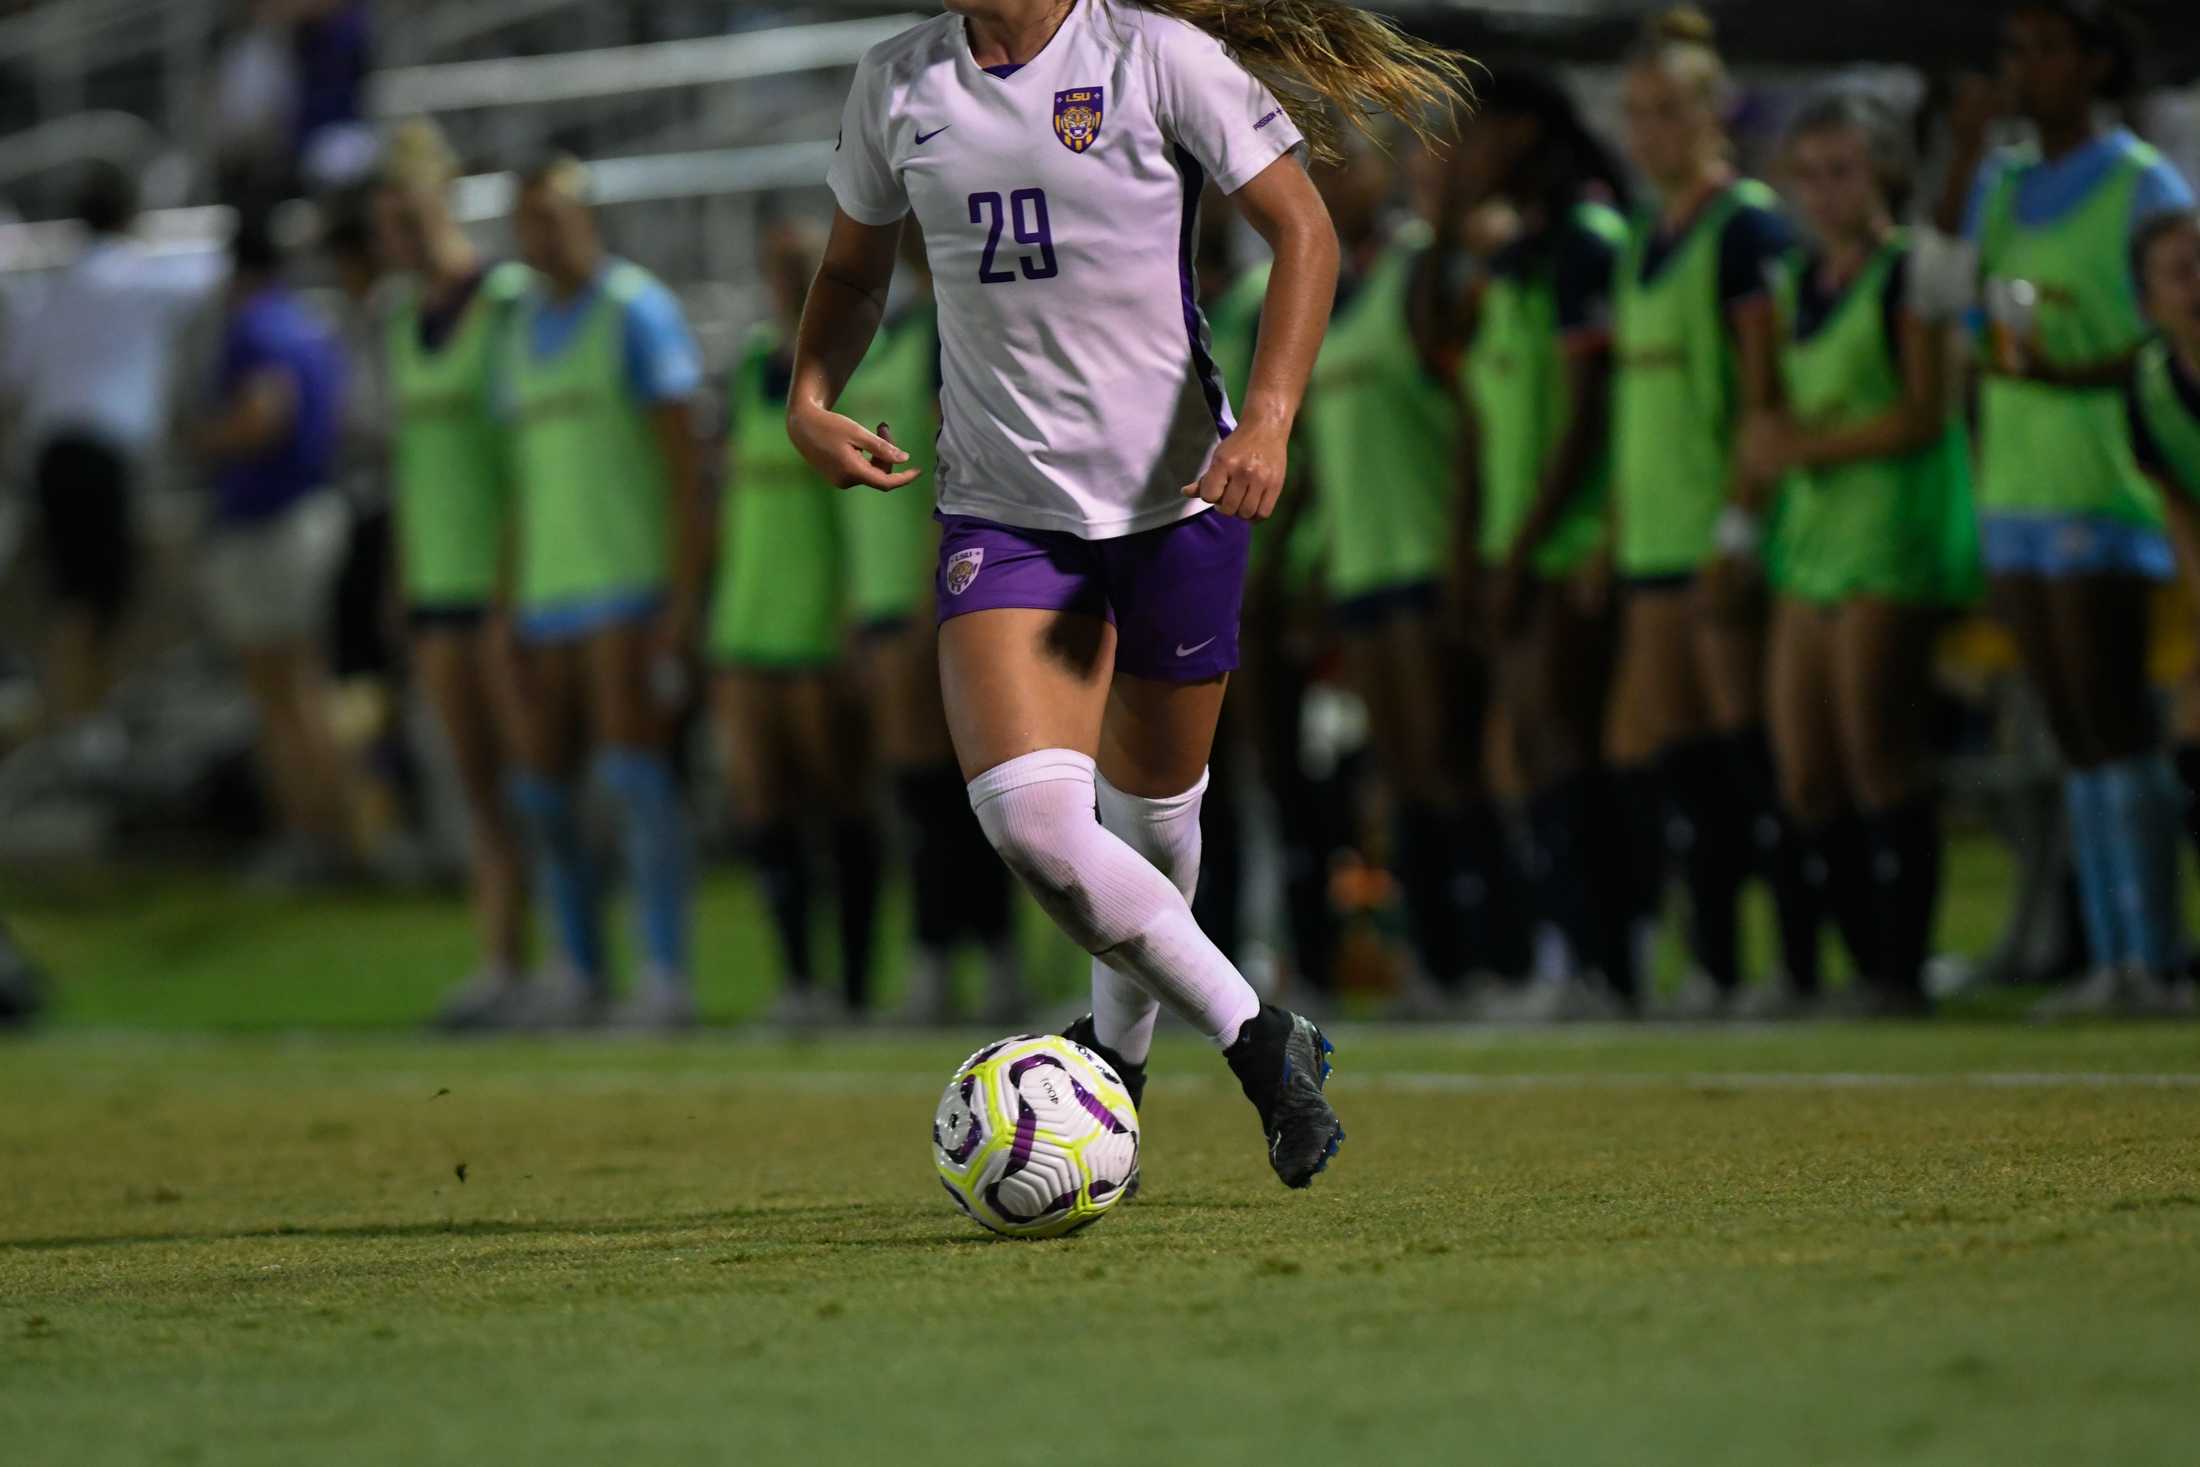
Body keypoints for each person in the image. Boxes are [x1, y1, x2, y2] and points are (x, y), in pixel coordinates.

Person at [795, 0, 1467, 1186]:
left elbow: (1302, 230)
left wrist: (1268, 419)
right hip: (1004, 516)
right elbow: (853, 273)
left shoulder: (1153, 57)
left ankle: (1117, 1061)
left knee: (1153, 825)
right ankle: (1264, 1042)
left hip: (1178, 503)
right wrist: (808, 392)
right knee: (1038, 830)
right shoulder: (895, 83)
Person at [1939, 1, 2196, 1015]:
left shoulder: (2143, 183)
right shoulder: (1998, 184)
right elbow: (1962, 307)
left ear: (2091, 64)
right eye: (2011, 50)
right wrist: (1959, 158)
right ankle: (2111, 959)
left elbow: (2167, 344)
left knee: (2116, 723)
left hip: (2107, 484)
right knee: (2070, 736)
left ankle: (2154, 956)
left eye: (2042, 50)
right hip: (2014, 490)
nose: (2021, 69)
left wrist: (2062, 370)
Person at [1743, 92, 1980, 1016]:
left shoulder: (1908, 271)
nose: (1824, 191)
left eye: (1843, 170)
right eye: (1808, 173)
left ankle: (1899, 968)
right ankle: (1833, 964)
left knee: (1879, 748)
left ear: (1881, 171)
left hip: (1891, 535)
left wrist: (1803, 447)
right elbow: (1767, 412)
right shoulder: (1799, 281)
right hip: (1811, 542)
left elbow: (1925, 411)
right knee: (1804, 766)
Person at [1294, 130, 1529, 1009]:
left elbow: (1471, 414)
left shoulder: (1423, 271)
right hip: (1359, 567)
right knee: (1399, 776)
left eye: (1334, 162)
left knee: (1452, 765)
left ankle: (1503, 959)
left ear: (1383, 170)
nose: (1319, 178)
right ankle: (1436, 964)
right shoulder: (1326, 287)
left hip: (1430, 556)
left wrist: (1470, 545)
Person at [1606, 8, 1799, 1015]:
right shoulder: (1643, 236)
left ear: (1712, 111)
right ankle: (1716, 965)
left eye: (1669, 111)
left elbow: (1764, 396)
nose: (1651, 133)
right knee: (1669, 760)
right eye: (1636, 115)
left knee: (1743, 758)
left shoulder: (1745, 228)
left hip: (1713, 538)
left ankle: (1787, 964)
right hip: (1649, 540)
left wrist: (1738, 524)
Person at [500, 157, 710, 1029]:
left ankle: (664, 975)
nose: (541, 235)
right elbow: (519, 477)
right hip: (549, 590)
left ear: (584, 218)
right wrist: (509, 594)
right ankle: (578, 969)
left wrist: (681, 597)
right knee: (543, 790)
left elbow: (685, 467)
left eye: (555, 217)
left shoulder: (635, 312)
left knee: (634, 782)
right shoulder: (516, 329)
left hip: (626, 584)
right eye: (528, 219)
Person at [1447, 69, 1634, 1019]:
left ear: (1521, 135)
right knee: (1521, 750)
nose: (1460, 155)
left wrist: (1521, 549)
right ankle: (1576, 957)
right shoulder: (1511, 260)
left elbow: (1588, 414)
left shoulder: (1586, 245)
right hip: (1514, 542)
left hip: (1565, 543)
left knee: (1560, 744)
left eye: (1473, 134)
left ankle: (1597, 962)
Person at [829, 224, 1026, 1026]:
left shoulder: (955, 326)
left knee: (962, 781)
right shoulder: (890, 330)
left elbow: (962, 461)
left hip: (937, 585)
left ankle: (977, 958)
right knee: (921, 787)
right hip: (880, 594)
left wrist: (928, 584)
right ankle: (951, 955)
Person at [369, 120, 539, 1028]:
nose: (393, 232)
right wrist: (401, 573)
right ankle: (500, 960)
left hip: (499, 581)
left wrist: (514, 578)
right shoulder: (399, 322)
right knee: (476, 780)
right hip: (437, 580)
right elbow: (406, 458)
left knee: (533, 777)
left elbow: (522, 456)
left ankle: (567, 961)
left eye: (406, 210)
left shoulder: (502, 302)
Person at [708, 221, 884, 1026]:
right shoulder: (753, 366)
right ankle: (796, 981)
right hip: (748, 614)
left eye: (798, 266)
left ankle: (852, 986)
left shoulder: (858, 369)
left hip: (819, 612)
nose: (784, 280)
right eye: (775, 267)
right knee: (763, 804)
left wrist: (856, 606)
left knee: (838, 800)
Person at [0, 162, 223, 728]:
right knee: (91, 602)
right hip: (99, 460)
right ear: (130, 217)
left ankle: (83, 721)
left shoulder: (53, 293)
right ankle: (83, 728)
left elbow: (14, 379)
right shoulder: (146, 281)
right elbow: (220, 270)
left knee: (82, 599)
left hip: (51, 458)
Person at [196, 210, 358, 884]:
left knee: (281, 691)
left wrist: (200, 440)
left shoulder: (255, 327)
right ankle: (340, 834)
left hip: (268, 521)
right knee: (306, 685)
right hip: (314, 509)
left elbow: (266, 413)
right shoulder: (308, 325)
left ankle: (313, 837)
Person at [2128, 207, 2200, 1005]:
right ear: (2147, 300)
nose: (2197, 284)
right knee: (2191, 721)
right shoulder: (2150, 386)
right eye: (2179, 271)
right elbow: (2181, 509)